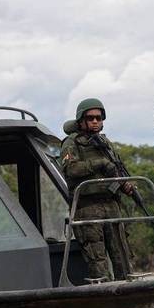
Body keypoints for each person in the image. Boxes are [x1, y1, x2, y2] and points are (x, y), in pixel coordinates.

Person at [60, 98, 133, 282]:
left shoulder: (105, 143)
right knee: (96, 257)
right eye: (90, 118)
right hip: (88, 207)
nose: (95, 121)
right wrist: (99, 163)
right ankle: (104, 292)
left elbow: (116, 168)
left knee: (122, 255)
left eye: (99, 118)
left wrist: (125, 184)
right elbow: (71, 169)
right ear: (81, 120)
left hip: (111, 203)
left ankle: (128, 289)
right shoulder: (71, 143)